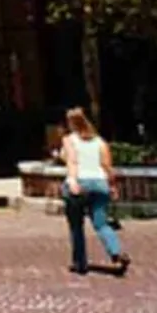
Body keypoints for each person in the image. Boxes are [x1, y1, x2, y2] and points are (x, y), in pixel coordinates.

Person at [62, 107, 129, 276]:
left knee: (76, 225)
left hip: (81, 183)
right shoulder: (100, 142)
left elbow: (72, 161)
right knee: (101, 223)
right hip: (100, 184)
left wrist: (73, 181)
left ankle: (80, 263)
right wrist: (112, 186)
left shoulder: (69, 140)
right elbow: (107, 166)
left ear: (71, 124)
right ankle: (116, 252)